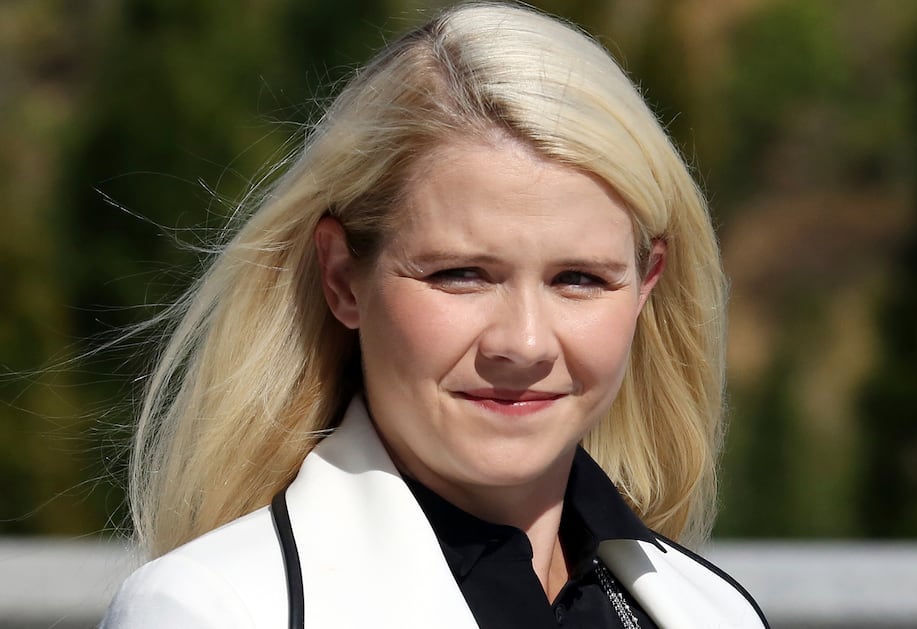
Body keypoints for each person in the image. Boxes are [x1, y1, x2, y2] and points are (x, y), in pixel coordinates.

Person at [101, 3, 768, 628]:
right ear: (342, 277)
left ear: (647, 283)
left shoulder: (714, 612)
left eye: (580, 279)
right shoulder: (217, 610)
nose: (525, 342)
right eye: (461, 274)